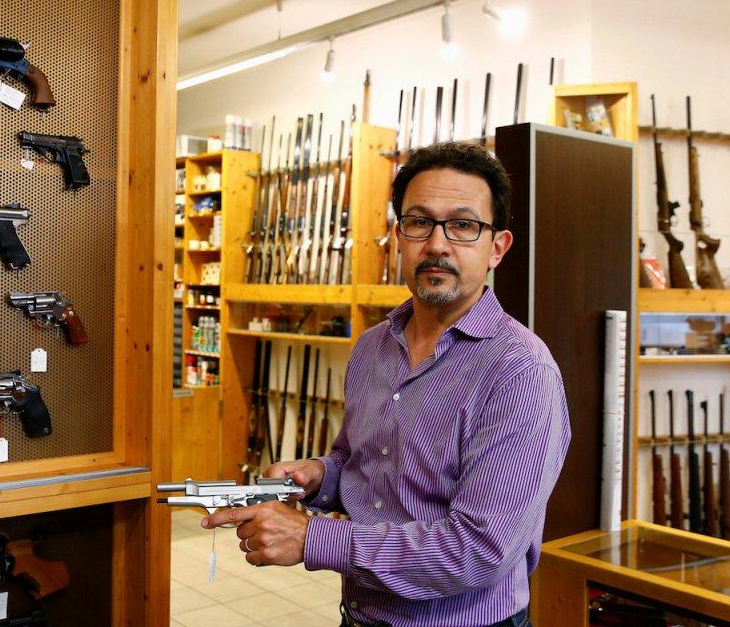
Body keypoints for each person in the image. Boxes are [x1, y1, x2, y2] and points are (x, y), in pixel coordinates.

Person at [202, 142, 571, 627]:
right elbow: (362, 466)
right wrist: (320, 476)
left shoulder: (520, 371)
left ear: (496, 247)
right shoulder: (373, 347)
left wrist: (312, 539)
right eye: (419, 222)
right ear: (399, 235)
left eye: (462, 226)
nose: (437, 244)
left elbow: (479, 550)